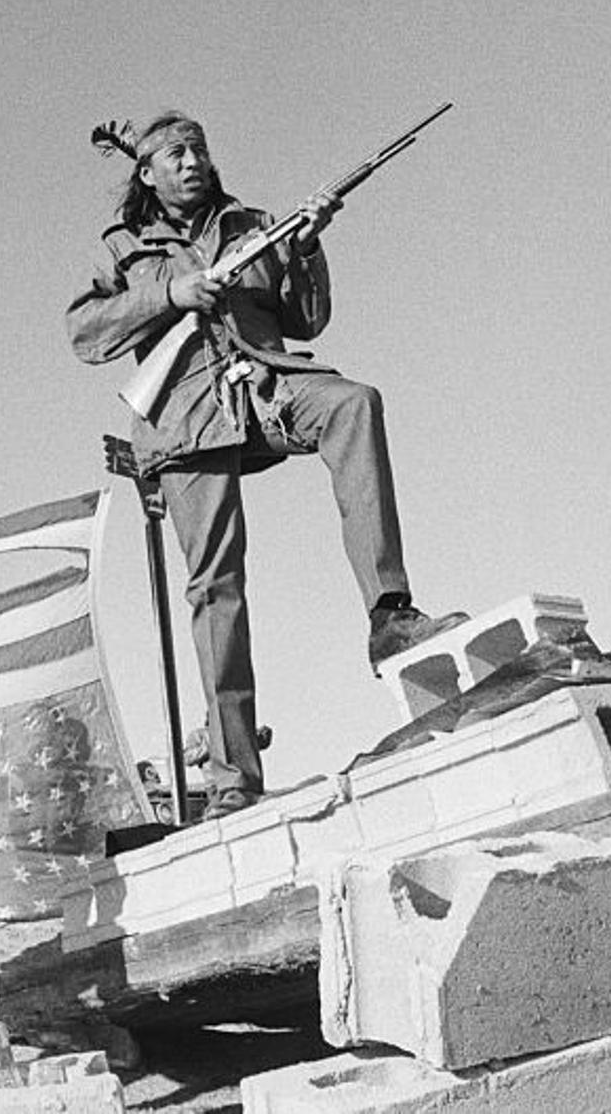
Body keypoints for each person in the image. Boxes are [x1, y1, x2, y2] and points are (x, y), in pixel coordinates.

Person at [67, 110, 462, 820]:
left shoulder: (252, 225)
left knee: (354, 404)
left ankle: (390, 614)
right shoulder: (123, 246)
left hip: (266, 387)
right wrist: (169, 294)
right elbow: (84, 333)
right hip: (186, 416)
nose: (192, 161)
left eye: (200, 149)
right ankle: (231, 783)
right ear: (148, 173)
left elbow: (305, 320)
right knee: (216, 592)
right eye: (176, 154)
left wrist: (305, 249)